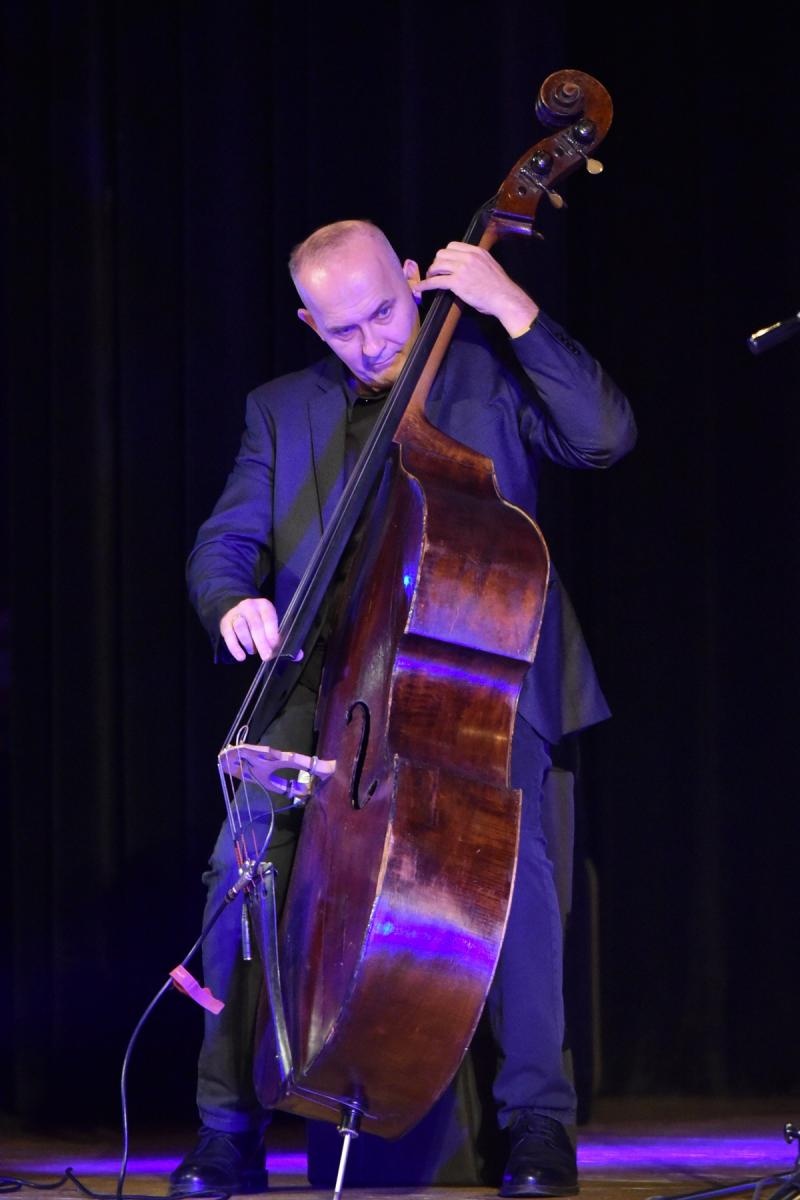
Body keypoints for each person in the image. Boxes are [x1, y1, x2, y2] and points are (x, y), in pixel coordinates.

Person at [172, 219, 636, 1199]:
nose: (373, 342)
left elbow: (603, 438)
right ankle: (228, 1130)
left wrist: (514, 309)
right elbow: (223, 544)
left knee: (515, 874)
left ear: (417, 281)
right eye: (342, 330)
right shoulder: (279, 410)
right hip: (329, 686)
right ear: (309, 322)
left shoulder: (486, 376)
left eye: (384, 312)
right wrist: (233, 602)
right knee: (241, 855)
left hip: (481, 674)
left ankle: (536, 1127)